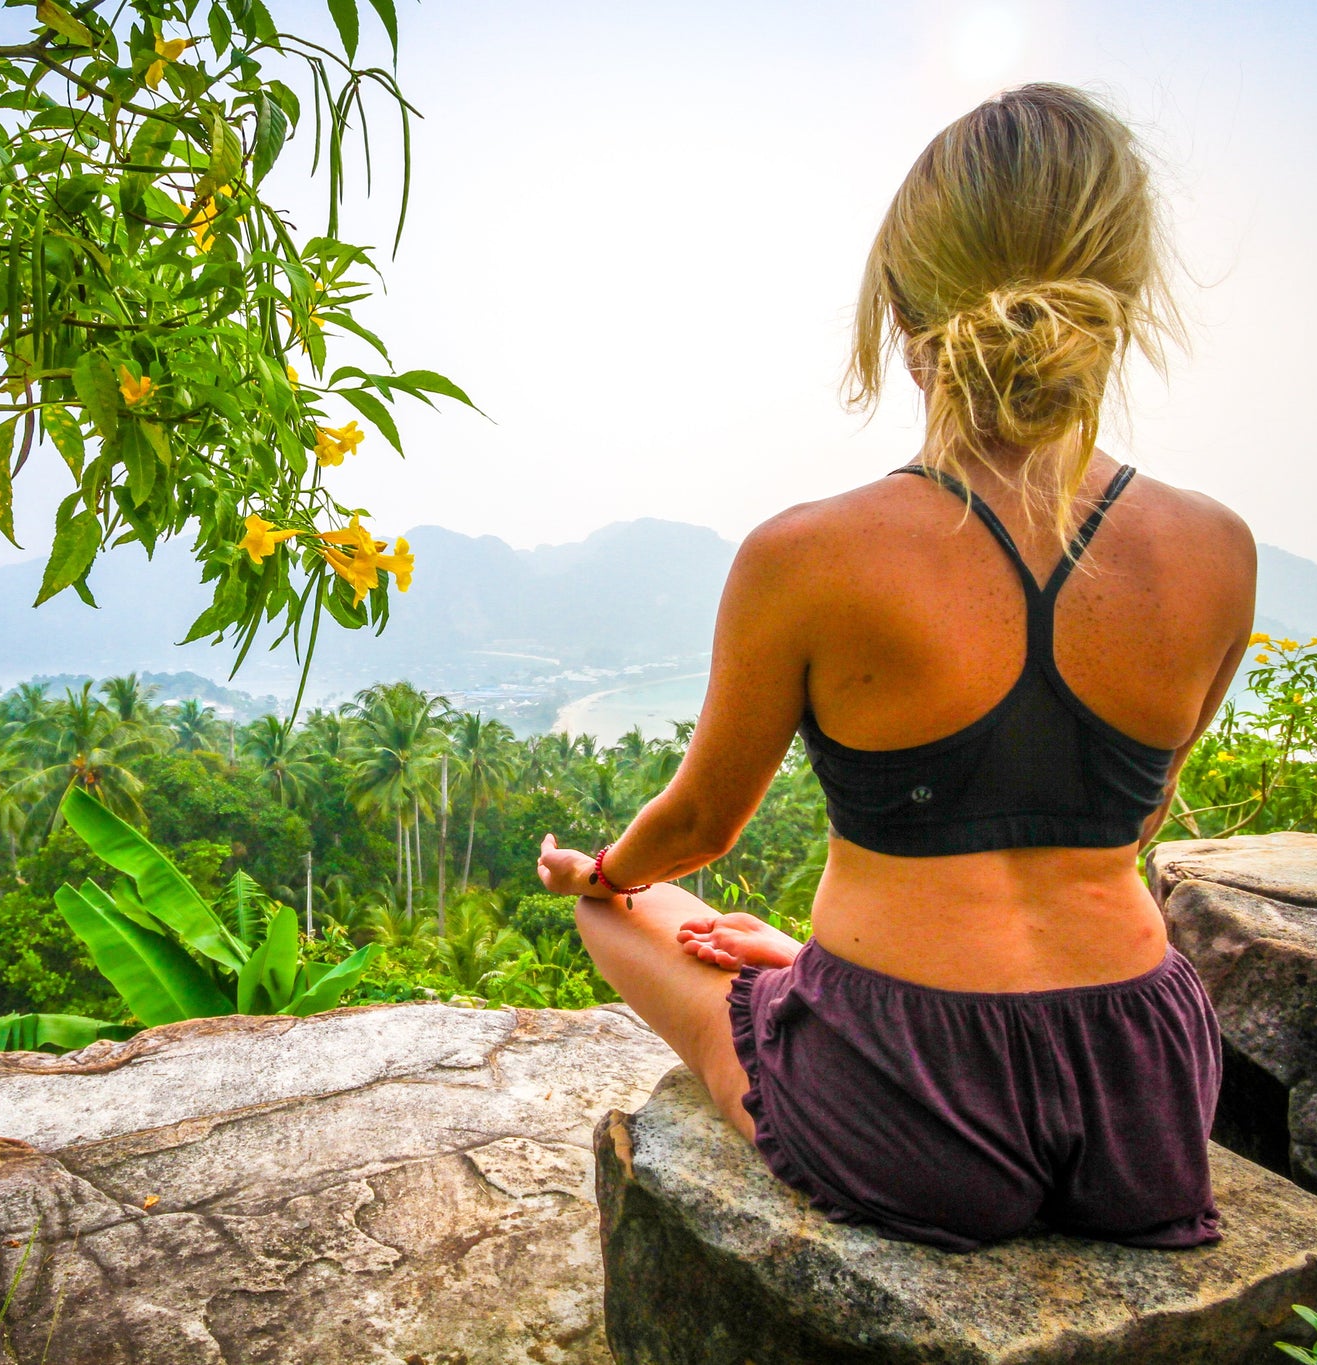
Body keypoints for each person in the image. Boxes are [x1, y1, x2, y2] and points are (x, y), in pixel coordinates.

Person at [536, 83, 1255, 1252]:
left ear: (903, 314)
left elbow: (702, 827)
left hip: (906, 1084)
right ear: (1116, 301)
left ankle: (777, 985)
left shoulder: (806, 554)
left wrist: (601, 871)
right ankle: (803, 976)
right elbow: (1123, 824)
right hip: (1143, 1087)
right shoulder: (1217, 549)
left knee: (624, 910)